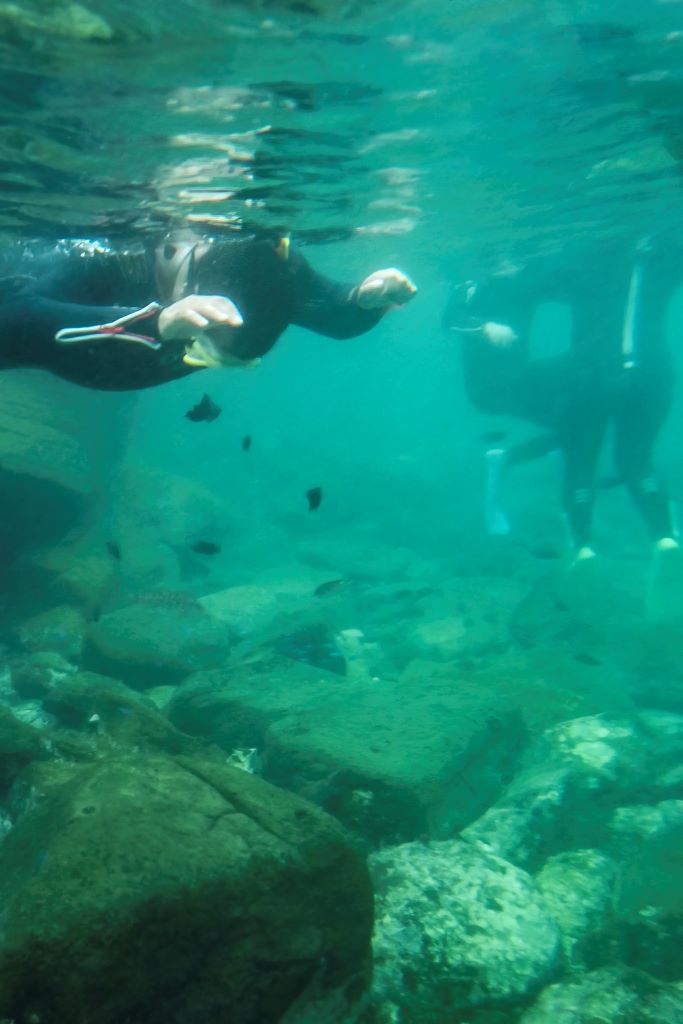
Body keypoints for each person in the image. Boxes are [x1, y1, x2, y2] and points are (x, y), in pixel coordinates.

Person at [444, 235, 680, 560]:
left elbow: (556, 283)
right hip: (489, 388)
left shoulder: (521, 277)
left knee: (583, 419)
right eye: (496, 256)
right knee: (582, 422)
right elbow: (452, 318)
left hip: (522, 374)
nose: (504, 263)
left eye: (508, 256)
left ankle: (512, 460)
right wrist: (486, 328)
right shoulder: (469, 282)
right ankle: (513, 461)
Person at [0, 229, 416, 391]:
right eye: (200, 349)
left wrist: (361, 300)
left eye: (227, 363)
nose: (188, 360)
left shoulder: (278, 274)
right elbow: (11, 323)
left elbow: (329, 312)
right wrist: (156, 323)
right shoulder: (95, 254)